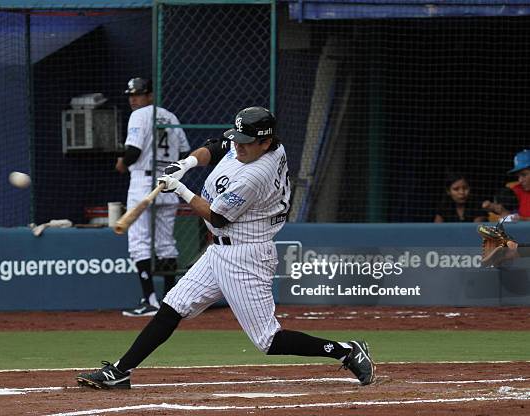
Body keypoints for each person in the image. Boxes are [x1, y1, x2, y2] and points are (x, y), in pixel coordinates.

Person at [77, 106, 376, 389]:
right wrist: (187, 163)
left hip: (246, 255)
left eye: (247, 143)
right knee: (172, 307)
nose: (239, 147)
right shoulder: (255, 144)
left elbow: (217, 218)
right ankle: (119, 372)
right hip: (219, 252)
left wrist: (180, 188)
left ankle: (346, 351)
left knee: (269, 341)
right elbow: (218, 145)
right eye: (240, 139)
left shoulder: (256, 175)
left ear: (266, 142)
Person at [116, 77, 190, 317]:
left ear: (150, 95)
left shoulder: (139, 115)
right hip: (168, 182)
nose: (133, 99)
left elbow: (133, 151)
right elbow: (186, 153)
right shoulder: (171, 116)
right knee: (165, 243)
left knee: (139, 242)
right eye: (131, 94)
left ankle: (150, 302)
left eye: (138, 94)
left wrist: (121, 162)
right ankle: (171, 303)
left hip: (143, 183)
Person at [482, 149, 530, 222]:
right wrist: (493, 207)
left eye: (524, 175)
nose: (520, 180)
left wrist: (524, 220)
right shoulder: (515, 190)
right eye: (518, 176)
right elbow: (506, 212)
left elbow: (519, 219)